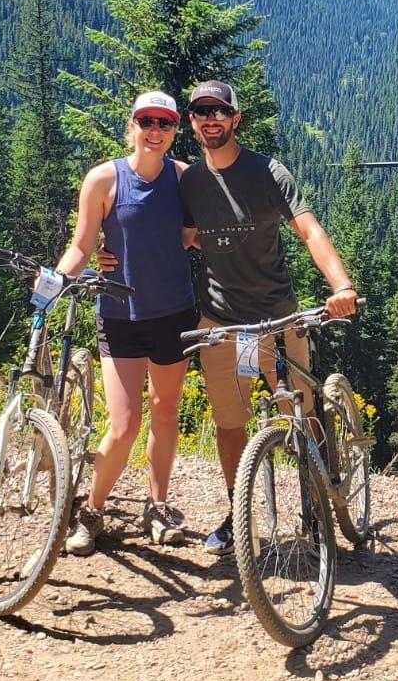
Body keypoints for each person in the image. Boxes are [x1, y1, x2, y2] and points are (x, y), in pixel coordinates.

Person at [177, 79, 357, 552]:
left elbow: (310, 231)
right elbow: (181, 235)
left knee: (299, 414)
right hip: (219, 325)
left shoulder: (267, 173)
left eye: (219, 111)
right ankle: (239, 514)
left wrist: (341, 285)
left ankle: (318, 503)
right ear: (192, 122)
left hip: (278, 320)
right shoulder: (191, 181)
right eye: (201, 111)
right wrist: (113, 253)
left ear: (236, 119)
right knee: (229, 423)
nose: (210, 118)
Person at [54, 90, 198, 556]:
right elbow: (81, 245)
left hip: (175, 315)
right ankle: (92, 509)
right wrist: (55, 282)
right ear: (131, 125)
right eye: (147, 121)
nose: (155, 131)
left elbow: (195, 237)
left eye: (165, 123)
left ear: (176, 130)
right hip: (120, 316)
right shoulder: (103, 180)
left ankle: (158, 506)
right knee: (124, 424)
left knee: (165, 411)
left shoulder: (184, 180)